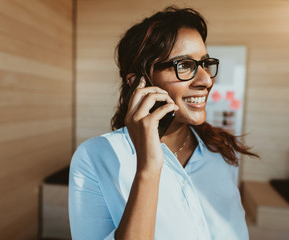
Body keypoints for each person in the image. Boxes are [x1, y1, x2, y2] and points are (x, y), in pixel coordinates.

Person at [69, 6, 257, 240]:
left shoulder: (221, 152)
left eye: (204, 63)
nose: (206, 80)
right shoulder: (95, 157)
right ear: (138, 81)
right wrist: (148, 170)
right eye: (184, 65)